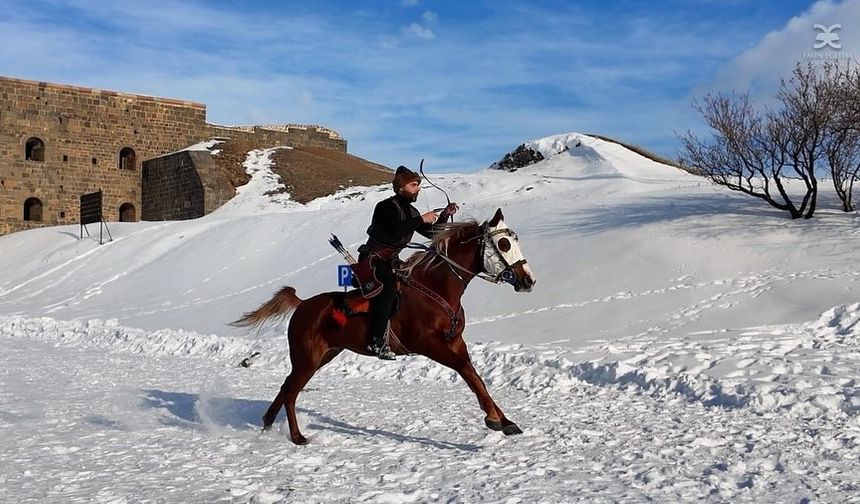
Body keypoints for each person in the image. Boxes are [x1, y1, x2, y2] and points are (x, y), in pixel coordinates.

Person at [359, 165, 458, 360]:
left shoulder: (411, 211)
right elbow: (396, 230)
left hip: (392, 261)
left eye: (418, 185)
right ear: (401, 187)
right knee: (388, 290)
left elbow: (432, 234)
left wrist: (445, 215)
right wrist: (422, 218)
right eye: (414, 185)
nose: (418, 189)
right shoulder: (385, 207)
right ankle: (376, 342)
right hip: (373, 260)